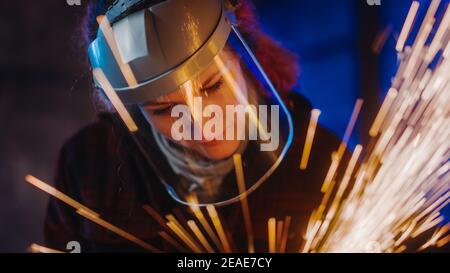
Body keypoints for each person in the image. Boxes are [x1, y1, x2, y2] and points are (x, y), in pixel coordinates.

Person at [44, 0, 347, 252]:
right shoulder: (87, 165)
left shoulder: (322, 161)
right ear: (130, 107)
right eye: (163, 109)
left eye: (213, 86)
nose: (202, 124)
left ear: (243, 57)